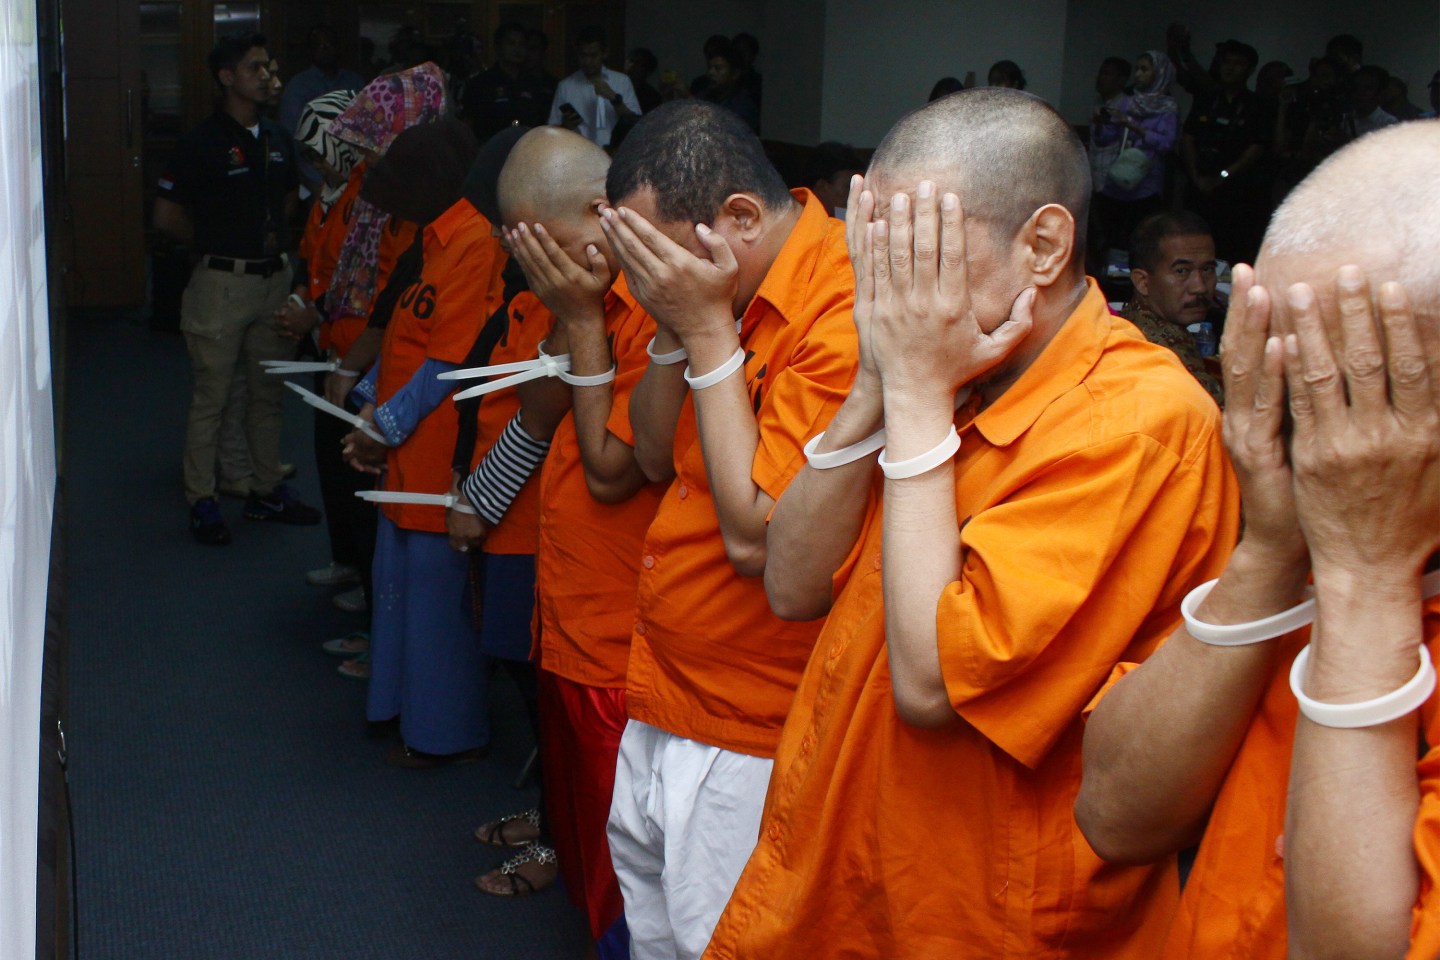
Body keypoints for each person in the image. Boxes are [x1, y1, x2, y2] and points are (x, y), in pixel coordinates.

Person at [703, 88, 1238, 959]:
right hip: (854, 857)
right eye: (874, 257)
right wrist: (878, 384)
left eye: (919, 253)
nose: (886, 291)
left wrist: (912, 396)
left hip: (981, 911)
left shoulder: (1134, 419)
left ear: (1043, 245)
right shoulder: (945, 362)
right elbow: (792, 582)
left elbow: (932, 689)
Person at [1077, 119, 1440, 959]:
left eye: (1341, 379)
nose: (1282, 410)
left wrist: (1367, 576)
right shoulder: (1304, 540)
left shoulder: (1361, 561)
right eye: (1270, 366)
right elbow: (1114, 812)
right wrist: (1273, 551)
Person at [599, 100, 858, 959]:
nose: (644, 283)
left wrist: (706, 328)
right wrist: (680, 326)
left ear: (739, 219)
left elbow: (760, 539)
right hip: (673, 687)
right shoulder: (721, 289)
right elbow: (647, 451)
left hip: (751, 722)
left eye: (654, 254)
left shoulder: (842, 311)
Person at [488, 126, 668, 958]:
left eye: (544, 244)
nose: (535, 266)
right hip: (567, 606)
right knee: (585, 824)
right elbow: (541, 411)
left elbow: (614, 471)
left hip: (618, 630)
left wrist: (581, 318)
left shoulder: (656, 306)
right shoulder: (586, 296)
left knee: (624, 857)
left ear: (603, 214)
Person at [337, 120, 506, 765]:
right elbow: (407, 329)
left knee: (438, 609)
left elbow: (450, 360)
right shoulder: (436, 236)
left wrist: (380, 425)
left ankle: (442, 735)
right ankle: (400, 712)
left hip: (439, 459)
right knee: (399, 590)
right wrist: (369, 413)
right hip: (406, 453)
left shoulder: (471, 242)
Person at [154, 33, 320, 545]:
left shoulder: (275, 137)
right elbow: (166, 217)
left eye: (270, 68)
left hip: (272, 279)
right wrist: (215, 243)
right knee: (213, 398)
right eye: (255, 69)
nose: (269, 77)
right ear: (227, 78)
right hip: (220, 283)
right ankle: (202, 499)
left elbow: (291, 198)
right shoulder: (200, 142)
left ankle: (266, 489)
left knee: (267, 395)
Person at [1181, 38, 1270, 264]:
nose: (1230, 68)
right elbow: (1188, 137)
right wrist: (1196, 177)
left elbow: (1256, 148)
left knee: (1231, 252)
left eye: (1237, 63)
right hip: (1199, 187)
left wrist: (1222, 177)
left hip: (1236, 192)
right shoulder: (1206, 98)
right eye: (1226, 62)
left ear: (1250, 69)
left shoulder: (1257, 104)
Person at [1121, 211, 1225, 405]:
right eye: (1182, 271)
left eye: (1207, 269)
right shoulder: (1160, 353)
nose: (1200, 286)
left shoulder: (1139, 323)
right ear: (1142, 281)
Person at [1089, 51, 1178, 271]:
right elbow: (1105, 139)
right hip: (1115, 185)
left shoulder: (1167, 108)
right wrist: (1101, 123)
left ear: (1159, 74)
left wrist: (1132, 125)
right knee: (1110, 243)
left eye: (1145, 69)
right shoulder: (1127, 103)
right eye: (1137, 68)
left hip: (1144, 188)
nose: (1138, 74)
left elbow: (1166, 143)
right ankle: (1112, 291)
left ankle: (1136, 292)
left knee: (1140, 244)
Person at [277, 26, 363, 195]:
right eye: (319, 45)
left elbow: (369, 129)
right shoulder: (298, 86)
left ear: (339, 47)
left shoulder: (355, 82)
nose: (325, 49)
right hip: (312, 176)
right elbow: (291, 139)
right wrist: (312, 181)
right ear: (310, 50)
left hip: (356, 174)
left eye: (329, 44)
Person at [461, 22, 553, 142]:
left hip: (527, 151)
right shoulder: (480, 84)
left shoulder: (534, 84)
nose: (517, 49)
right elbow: (468, 126)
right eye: (511, 43)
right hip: (490, 151)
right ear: (498, 47)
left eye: (522, 44)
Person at [548, 27, 639, 149]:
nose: (587, 61)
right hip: (579, 152)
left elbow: (635, 121)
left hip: (615, 152)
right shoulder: (566, 86)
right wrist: (565, 126)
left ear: (604, 53)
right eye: (583, 55)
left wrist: (614, 98)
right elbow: (551, 129)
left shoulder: (621, 81)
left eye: (593, 55)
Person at [701, 42, 759, 133]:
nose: (710, 73)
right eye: (709, 68)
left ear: (735, 74)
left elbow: (721, 128)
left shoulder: (743, 105)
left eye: (718, 68)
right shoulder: (706, 95)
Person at [800, 141, 866, 218]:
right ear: (822, 188)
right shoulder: (797, 223)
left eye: (862, 188)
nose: (859, 194)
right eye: (849, 187)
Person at [1351, 64, 1400, 135]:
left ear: (1380, 93)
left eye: (1368, 88)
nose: (1360, 93)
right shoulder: (1345, 120)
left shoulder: (1389, 123)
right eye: (1356, 87)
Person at [625, 47, 663, 114]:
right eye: (631, 61)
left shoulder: (652, 96)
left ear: (647, 70)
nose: (632, 66)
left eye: (638, 63)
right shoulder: (616, 85)